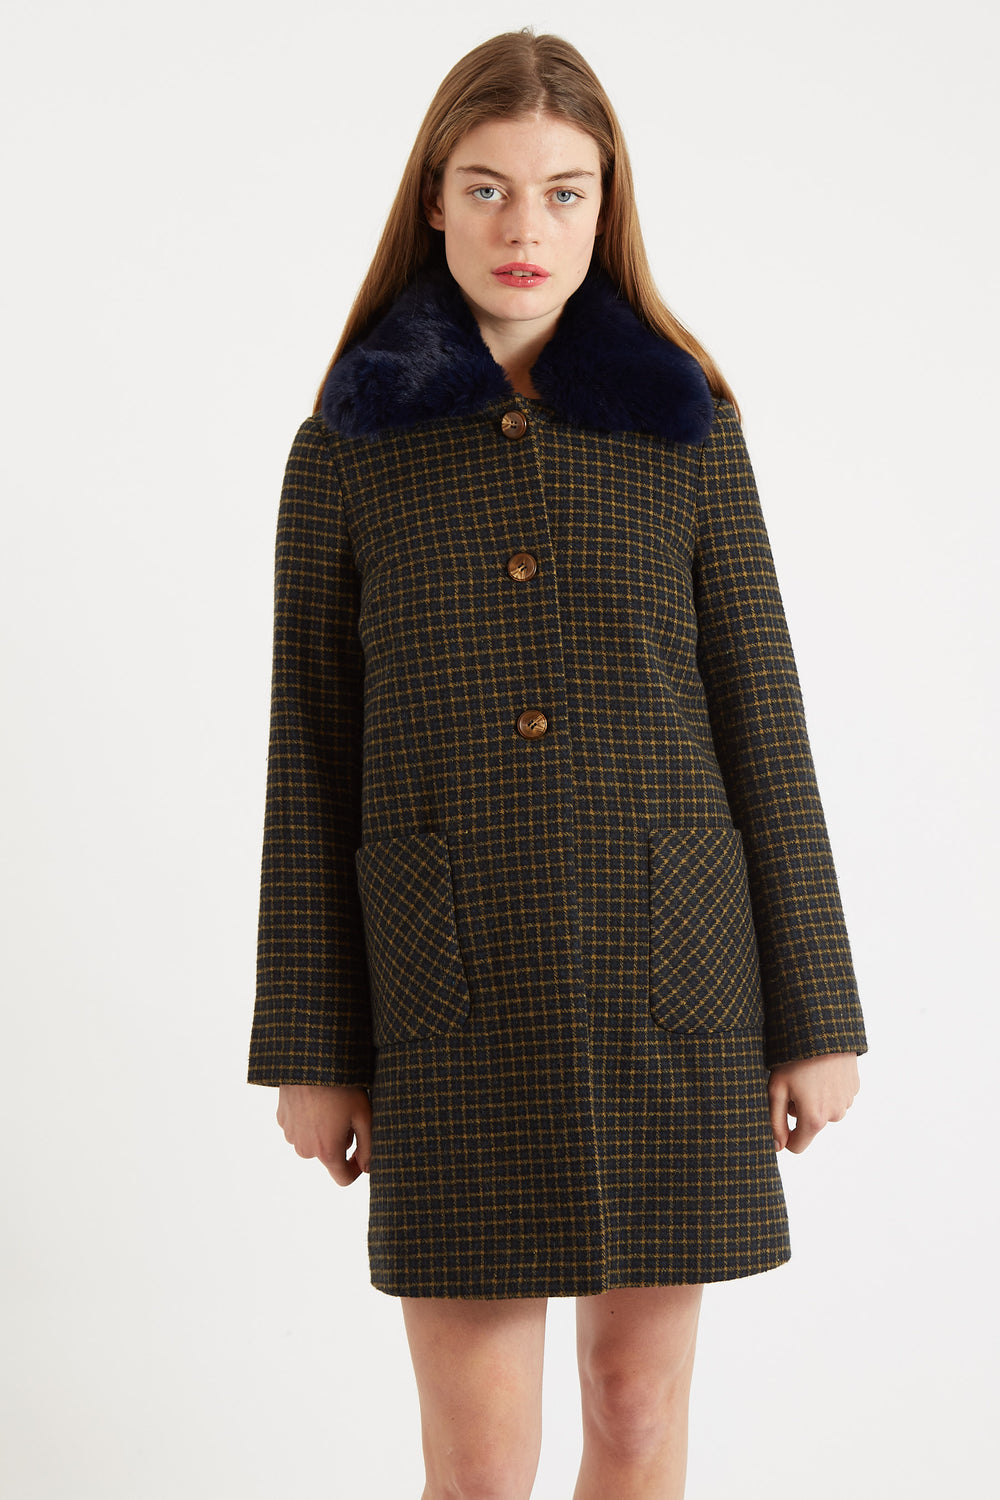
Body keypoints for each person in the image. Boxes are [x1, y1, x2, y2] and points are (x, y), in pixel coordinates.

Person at [248, 29, 867, 1500]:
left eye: (563, 191)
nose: (524, 225)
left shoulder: (689, 429)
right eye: (487, 187)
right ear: (434, 201)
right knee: (479, 1464)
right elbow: (308, 752)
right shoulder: (347, 449)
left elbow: (764, 719)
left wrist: (816, 1013)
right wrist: (313, 1048)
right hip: (451, 995)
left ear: (607, 206)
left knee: (638, 1416)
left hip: (676, 987)